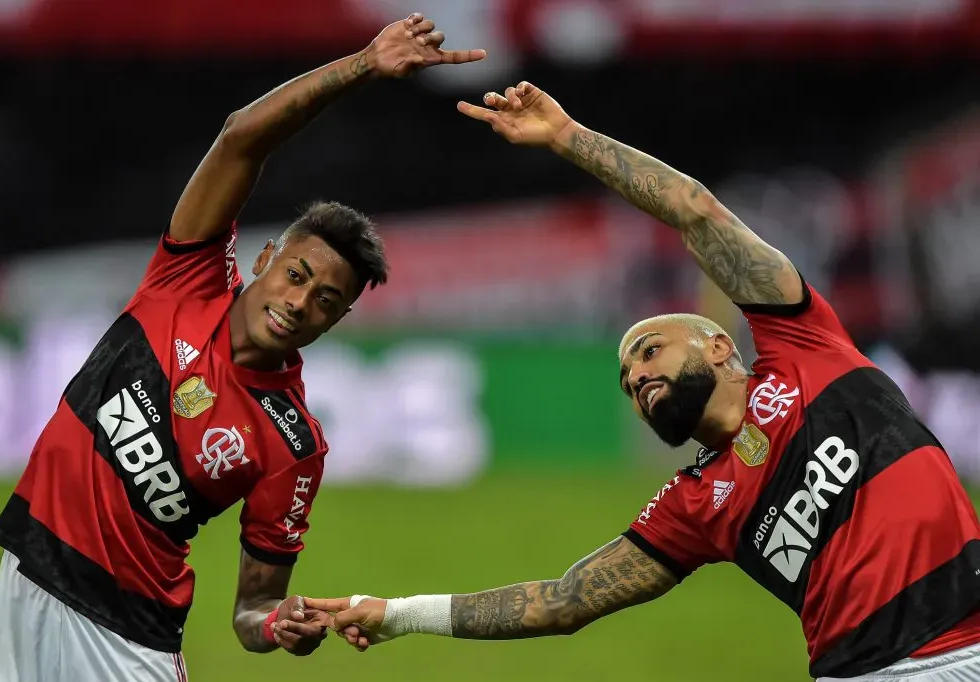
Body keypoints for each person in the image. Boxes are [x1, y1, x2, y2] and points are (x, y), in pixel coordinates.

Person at [304, 82, 980, 681]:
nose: (638, 375)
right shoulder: (693, 505)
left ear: (720, 346)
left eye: (650, 351)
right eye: (628, 378)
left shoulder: (807, 347)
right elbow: (562, 602)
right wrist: (398, 614)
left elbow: (696, 212)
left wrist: (568, 138)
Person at [0, 14, 484, 682]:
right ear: (266, 257)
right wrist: (362, 65)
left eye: (327, 301)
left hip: (123, 639)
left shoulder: (292, 445)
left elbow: (255, 612)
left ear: (340, 319)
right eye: (297, 276)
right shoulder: (185, 280)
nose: (301, 302)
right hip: (25, 576)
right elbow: (241, 136)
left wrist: (280, 626)